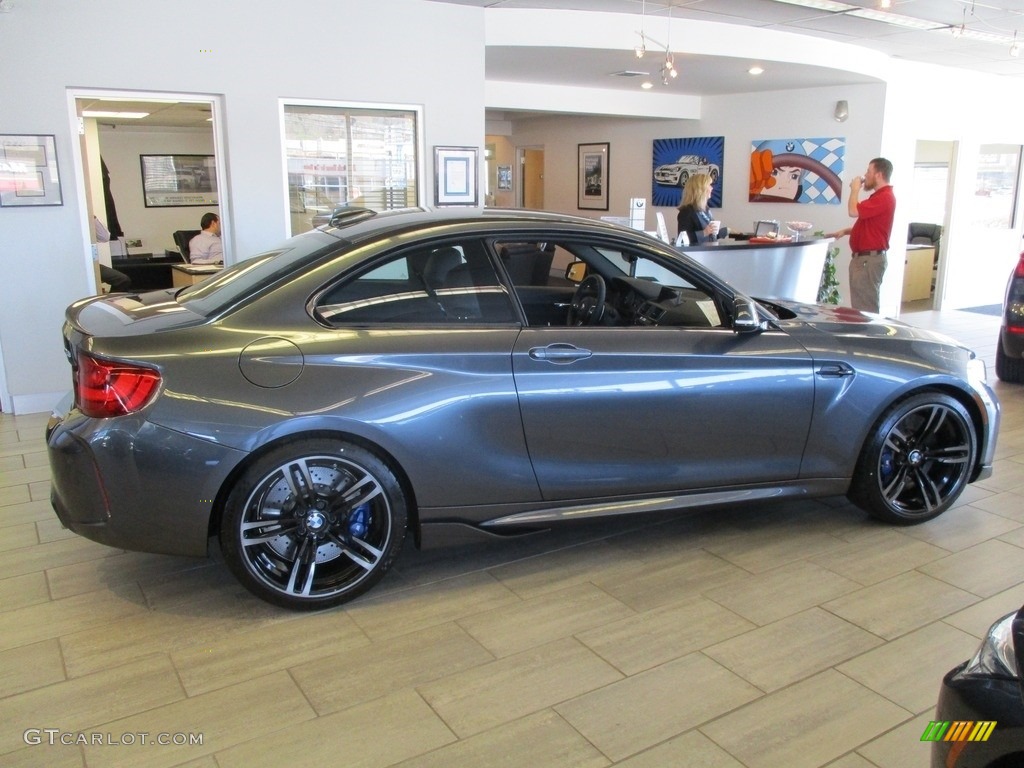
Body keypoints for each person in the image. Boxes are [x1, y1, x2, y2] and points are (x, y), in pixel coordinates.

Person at [829, 157, 896, 313]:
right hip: (864, 260)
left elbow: (853, 211)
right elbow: (873, 227)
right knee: (860, 306)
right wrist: (846, 231)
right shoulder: (879, 197)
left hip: (868, 262)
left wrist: (854, 190)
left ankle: (868, 336)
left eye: (869, 171)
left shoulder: (884, 197)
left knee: (865, 309)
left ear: (879, 175)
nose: (865, 175)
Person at [676, 173, 727, 245]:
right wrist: (704, 232)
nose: (712, 188)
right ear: (700, 189)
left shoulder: (706, 209)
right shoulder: (686, 212)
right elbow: (682, 240)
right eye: (709, 185)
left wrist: (723, 231)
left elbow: (710, 235)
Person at [93, 215, 132, 293]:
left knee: (122, 280)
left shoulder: (86, 222)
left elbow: (104, 238)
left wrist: (93, 218)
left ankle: (110, 304)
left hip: (93, 265)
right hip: (75, 266)